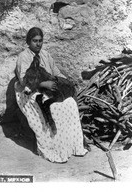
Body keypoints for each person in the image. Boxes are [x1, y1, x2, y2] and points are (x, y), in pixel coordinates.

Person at [14, 27, 88, 163]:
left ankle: (72, 145)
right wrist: (43, 84)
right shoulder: (23, 57)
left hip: (48, 88)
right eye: (34, 41)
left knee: (70, 103)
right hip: (29, 91)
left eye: (40, 41)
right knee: (54, 108)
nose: (38, 44)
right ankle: (53, 147)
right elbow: (24, 80)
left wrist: (64, 82)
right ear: (28, 42)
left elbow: (56, 72)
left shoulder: (45, 55)